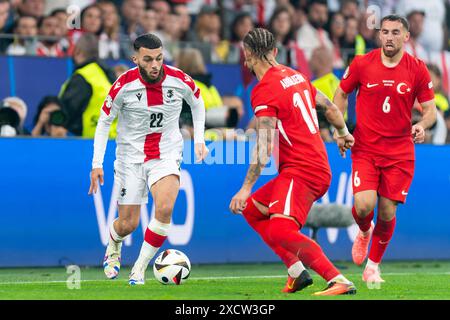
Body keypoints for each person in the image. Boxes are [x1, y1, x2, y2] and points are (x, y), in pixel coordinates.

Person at [229, 28, 356, 296]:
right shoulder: (296, 76)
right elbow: (330, 108)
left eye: (246, 57)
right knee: (253, 210)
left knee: (279, 228)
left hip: (302, 170)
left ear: (248, 55)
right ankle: (297, 272)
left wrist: (245, 187)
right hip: (313, 165)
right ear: (275, 51)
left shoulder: (264, 90)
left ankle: (338, 279)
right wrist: (343, 133)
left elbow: (264, 145)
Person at [88, 33, 208, 285]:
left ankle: (139, 269)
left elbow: (197, 101)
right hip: (130, 158)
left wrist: (199, 138)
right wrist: (96, 163)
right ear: (135, 59)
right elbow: (104, 122)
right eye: (148, 59)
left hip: (166, 153)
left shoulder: (178, 79)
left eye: (159, 58)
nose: (155, 65)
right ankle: (113, 245)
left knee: (164, 208)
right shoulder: (123, 85)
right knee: (128, 224)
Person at [333, 15, 437, 283]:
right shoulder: (361, 64)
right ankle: (364, 232)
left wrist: (422, 125)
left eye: (395, 32)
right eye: (385, 32)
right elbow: (341, 93)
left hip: (400, 151)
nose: (389, 37)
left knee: (388, 211)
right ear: (379, 36)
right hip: (366, 148)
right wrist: (340, 128)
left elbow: (430, 111)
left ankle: (373, 265)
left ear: (406, 37)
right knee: (364, 205)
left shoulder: (417, 69)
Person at [59, 33, 117, 138]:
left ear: (78, 52)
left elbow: (66, 111)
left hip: (89, 143)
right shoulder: (108, 76)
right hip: (114, 141)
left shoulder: (83, 77)